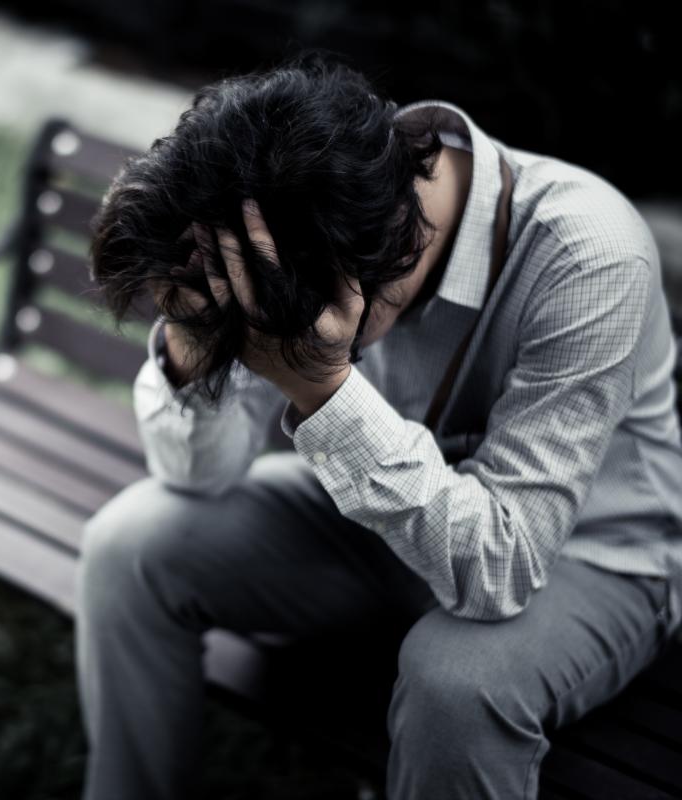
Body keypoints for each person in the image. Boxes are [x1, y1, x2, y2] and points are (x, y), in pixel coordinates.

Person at [75, 50, 682, 799]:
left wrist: (325, 389)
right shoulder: (308, 197)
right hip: (391, 534)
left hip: (590, 558)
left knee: (454, 681)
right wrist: (193, 342)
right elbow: (197, 475)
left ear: (375, 264)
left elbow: (503, 567)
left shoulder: (590, 253)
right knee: (128, 544)